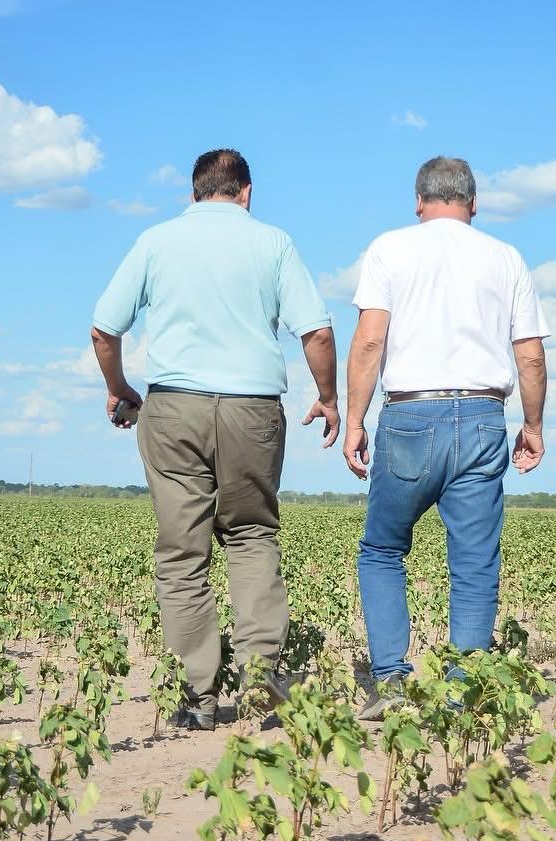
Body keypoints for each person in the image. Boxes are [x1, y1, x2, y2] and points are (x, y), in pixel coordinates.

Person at [90, 148, 340, 732]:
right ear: (246, 192)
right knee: (252, 536)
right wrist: (327, 397)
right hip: (253, 409)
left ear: (195, 190)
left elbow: (104, 328)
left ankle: (197, 696)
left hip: (174, 406)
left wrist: (122, 387)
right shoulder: (273, 243)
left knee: (183, 552)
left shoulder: (155, 241)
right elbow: (318, 331)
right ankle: (258, 683)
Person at [343, 156, 549, 720]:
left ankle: (391, 682)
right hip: (484, 416)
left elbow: (368, 343)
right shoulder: (506, 258)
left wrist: (356, 420)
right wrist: (531, 426)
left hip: (410, 415)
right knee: (475, 561)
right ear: (473, 203)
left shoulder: (389, 248)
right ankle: (464, 691)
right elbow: (529, 354)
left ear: (418, 201)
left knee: (383, 548)